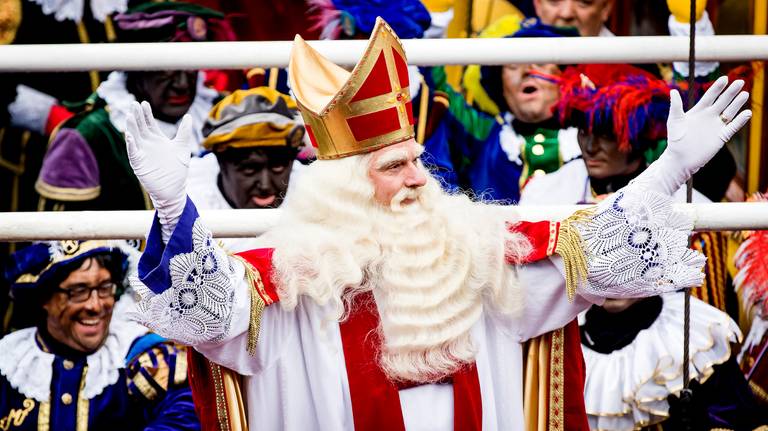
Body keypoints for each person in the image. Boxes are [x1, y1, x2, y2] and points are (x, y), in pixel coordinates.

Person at [124, 18, 751, 430]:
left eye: (419, 161)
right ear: (347, 191)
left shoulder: (481, 254)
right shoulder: (285, 280)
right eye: (397, 166)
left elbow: (595, 248)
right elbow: (204, 312)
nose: (422, 179)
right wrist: (174, 205)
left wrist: (671, 168)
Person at [34, 1, 233, 211]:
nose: (182, 84)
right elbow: (63, 239)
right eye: (167, 69)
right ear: (133, 69)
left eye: (191, 68)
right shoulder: (88, 136)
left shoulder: (222, 117)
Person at [184, 87, 305, 429]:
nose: (266, 185)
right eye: (250, 169)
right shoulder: (186, 208)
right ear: (222, 163)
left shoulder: (316, 202)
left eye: (279, 166)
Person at [0, 240, 200, 430]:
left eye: (105, 288)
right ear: (44, 297)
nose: (95, 306)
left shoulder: (140, 356)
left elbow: (191, 406)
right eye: (78, 291)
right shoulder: (9, 363)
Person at [423, 19, 582, 200]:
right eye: (513, 64)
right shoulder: (484, 133)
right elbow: (437, 87)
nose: (527, 70)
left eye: (540, 61)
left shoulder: (598, 131)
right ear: (501, 87)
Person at [579, 293, 763, 429]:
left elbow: (743, 419)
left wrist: (702, 423)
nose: (613, 280)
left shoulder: (695, 333)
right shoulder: (564, 337)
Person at [533, 0, 615, 37]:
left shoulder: (625, 64)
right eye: (555, 0)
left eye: (583, 2)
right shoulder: (521, 54)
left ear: (605, 8)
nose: (566, 14)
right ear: (538, 4)